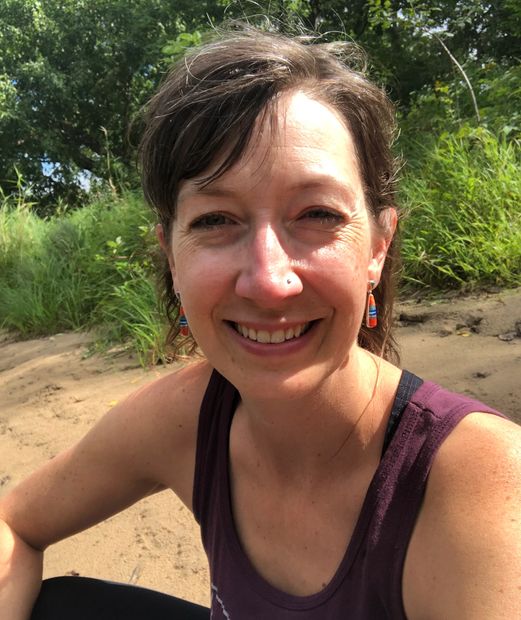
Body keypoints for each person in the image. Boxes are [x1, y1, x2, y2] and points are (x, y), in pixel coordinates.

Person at [1, 26, 520, 620]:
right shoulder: (187, 418)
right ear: (172, 258)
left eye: (318, 213)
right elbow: (14, 523)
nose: (269, 281)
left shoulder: (482, 489)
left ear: (378, 247)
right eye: (215, 220)